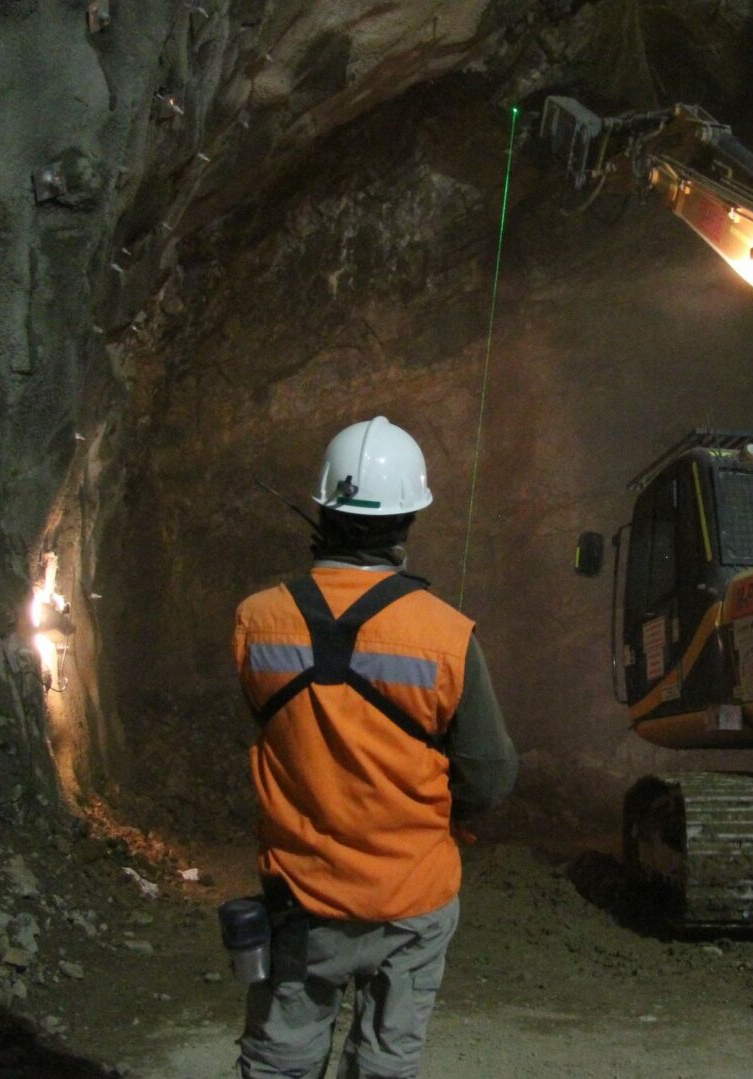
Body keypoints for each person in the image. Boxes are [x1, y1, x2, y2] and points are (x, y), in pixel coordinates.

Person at [232, 415, 517, 1079]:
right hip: (411, 899)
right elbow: (490, 775)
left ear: (324, 510)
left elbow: (274, 727)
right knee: (387, 1062)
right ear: (408, 519)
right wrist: (445, 812)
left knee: (279, 1061)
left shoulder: (255, 621)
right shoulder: (446, 635)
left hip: (302, 897)